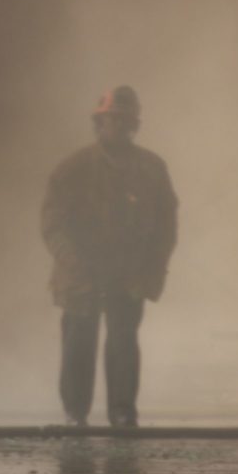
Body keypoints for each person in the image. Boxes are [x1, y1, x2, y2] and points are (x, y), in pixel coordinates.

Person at [41, 86, 178, 427]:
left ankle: (121, 414)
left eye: (124, 120)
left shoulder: (152, 169)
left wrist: (152, 271)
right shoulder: (72, 169)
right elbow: (53, 224)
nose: (117, 127)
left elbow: (165, 227)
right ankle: (75, 413)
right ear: (99, 123)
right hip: (80, 274)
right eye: (111, 120)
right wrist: (73, 263)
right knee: (78, 344)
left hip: (127, 273)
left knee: (123, 343)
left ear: (134, 125)